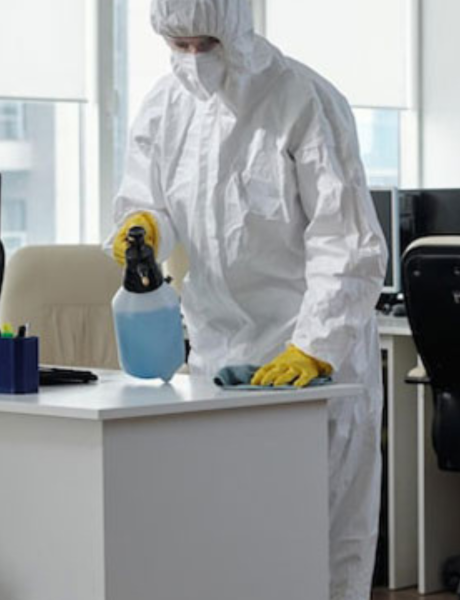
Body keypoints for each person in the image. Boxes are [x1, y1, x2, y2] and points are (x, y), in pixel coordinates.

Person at [106, 0, 387, 598]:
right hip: (217, 357)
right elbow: (148, 198)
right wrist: (147, 227)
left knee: (320, 541)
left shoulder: (302, 100)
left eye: (204, 43)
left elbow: (348, 244)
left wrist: (313, 349)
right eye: (177, 46)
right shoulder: (163, 107)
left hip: (313, 363)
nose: (192, 59)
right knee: (228, 536)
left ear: (236, 26)